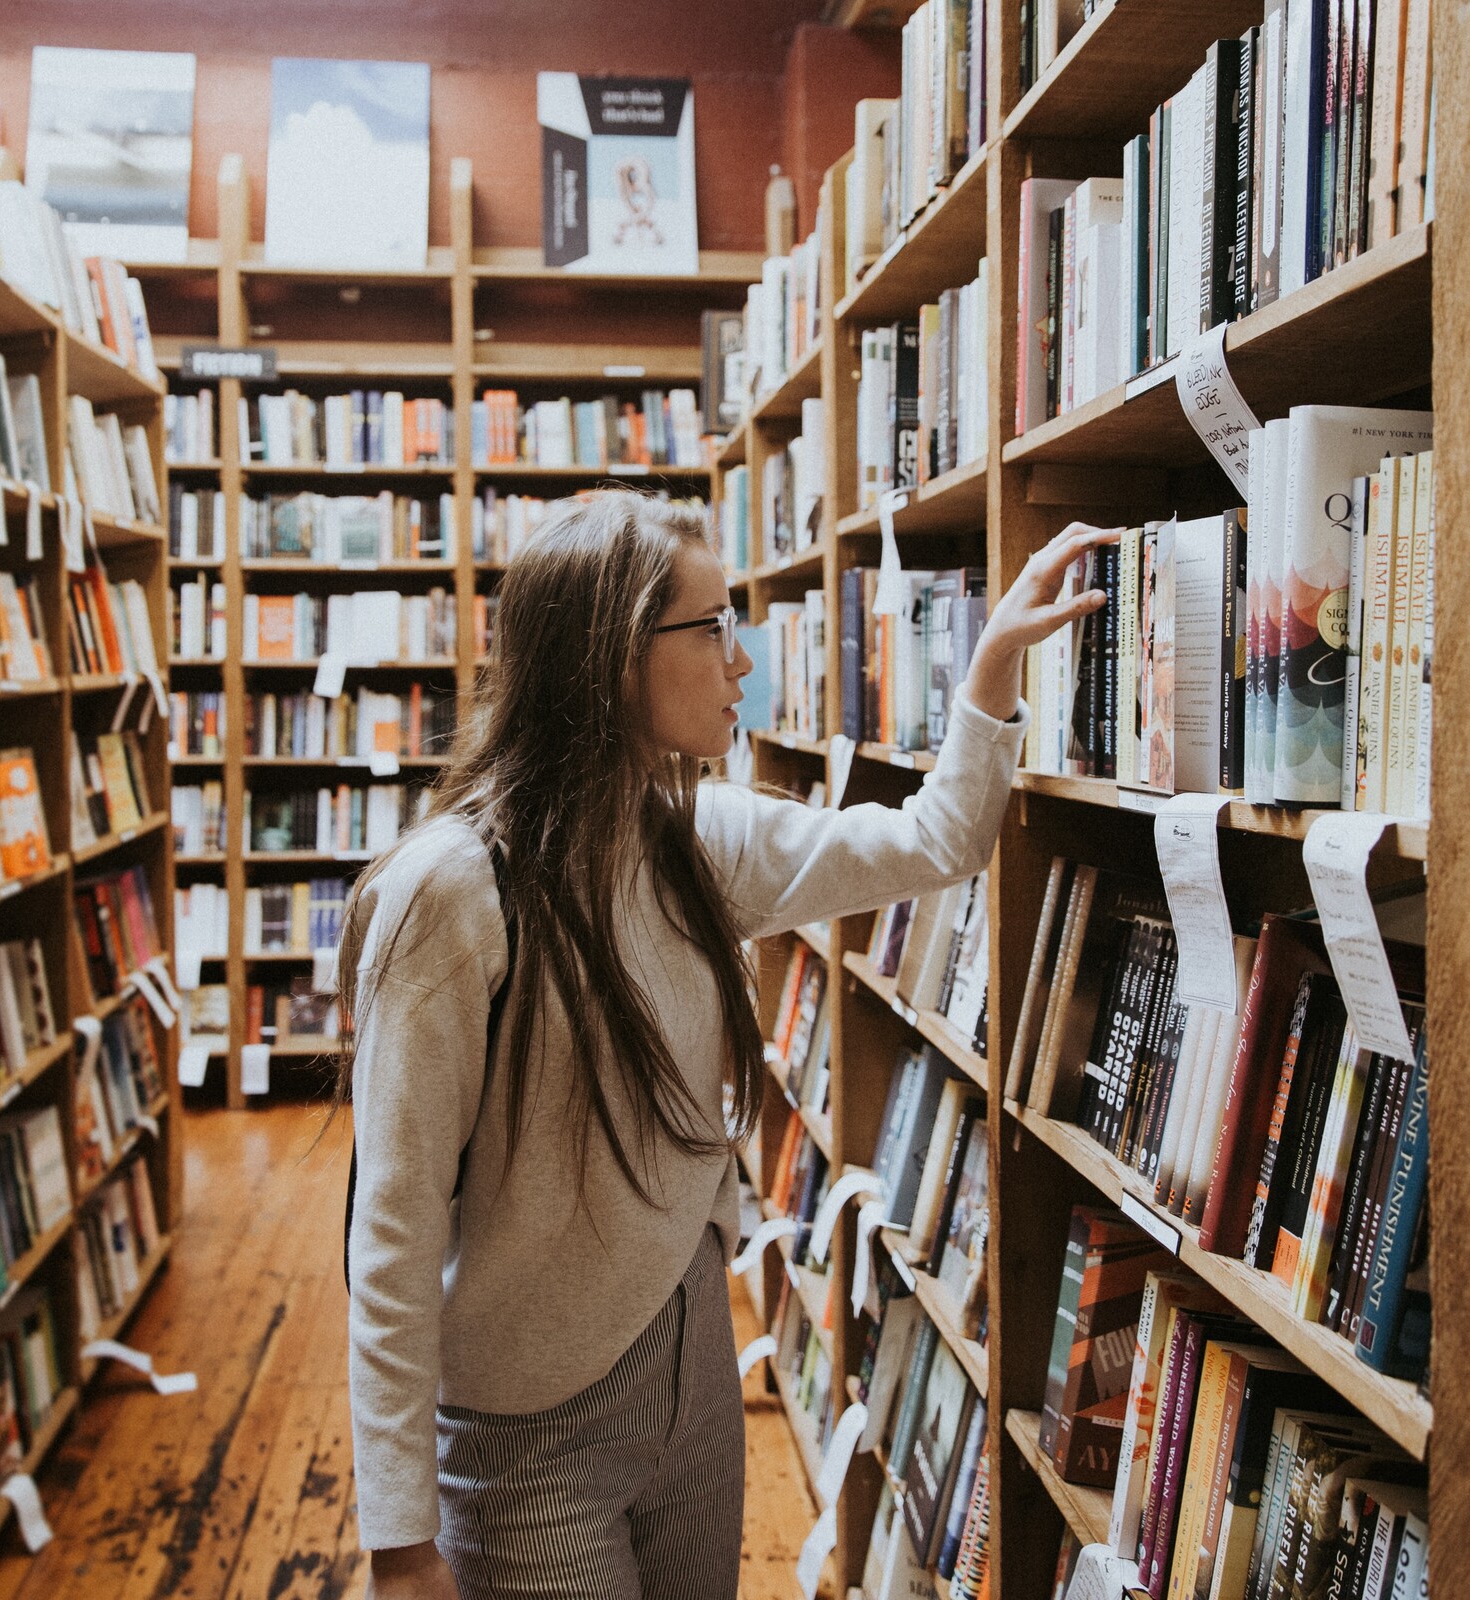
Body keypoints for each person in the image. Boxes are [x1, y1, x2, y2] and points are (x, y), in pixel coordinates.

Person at [342, 491, 1110, 1599]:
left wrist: (987, 678)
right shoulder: (453, 894)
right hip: (527, 1429)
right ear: (614, 659)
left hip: (691, 1363)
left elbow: (936, 840)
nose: (742, 659)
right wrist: (401, 1539)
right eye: (711, 627)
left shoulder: (700, 837)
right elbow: (396, 1225)